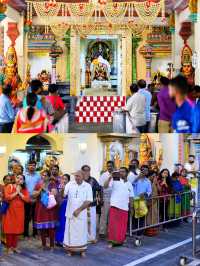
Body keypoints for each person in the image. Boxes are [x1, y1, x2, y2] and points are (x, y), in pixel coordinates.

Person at [63, 170, 93, 257]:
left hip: (81, 213)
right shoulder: (70, 184)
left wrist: (79, 210)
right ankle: (70, 250)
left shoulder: (87, 186)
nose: (76, 177)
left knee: (81, 232)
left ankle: (82, 250)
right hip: (70, 213)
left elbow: (88, 200)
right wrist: (63, 186)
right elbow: (64, 195)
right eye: (75, 176)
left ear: (83, 176)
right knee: (70, 233)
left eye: (78, 176)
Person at [106, 168, 134, 247]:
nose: (121, 173)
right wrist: (110, 177)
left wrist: (131, 208)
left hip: (125, 208)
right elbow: (105, 186)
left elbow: (131, 197)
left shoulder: (129, 184)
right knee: (113, 225)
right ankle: (111, 242)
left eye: (123, 171)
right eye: (120, 171)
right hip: (115, 206)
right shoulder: (115, 181)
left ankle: (120, 241)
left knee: (122, 226)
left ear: (127, 173)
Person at [3, 174, 30, 254]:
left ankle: (14, 247)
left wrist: (20, 193)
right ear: (15, 178)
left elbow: (27, 199)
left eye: (21, 179)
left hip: (20, 212)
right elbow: (7, 197)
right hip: (10, 211)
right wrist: (16, 192)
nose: (19, 179)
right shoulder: (9, 186)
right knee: (9, 229)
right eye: (18, 178)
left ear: (23, 181)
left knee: (16, 229)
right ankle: (8, 248)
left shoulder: (24, 189)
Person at [33, 170, 58, 250]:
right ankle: (43, 244)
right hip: (40, 207)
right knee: (42, 227)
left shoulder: (52, 184)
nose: (44, 177)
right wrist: (40, 189)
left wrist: (45, 189)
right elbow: (34, 195)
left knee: (51, 227)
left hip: (49, 208)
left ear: (49, 176)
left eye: (46, 175)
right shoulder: (38, 184)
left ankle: (51, 245)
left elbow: (54, 194)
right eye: (42, 175)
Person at [81, 165, 101, 243]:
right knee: (82, 222)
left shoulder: (93, 180)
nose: (86, 172)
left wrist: (97, 202)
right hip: (81, 205)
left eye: (88, 170)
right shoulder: (80, 180)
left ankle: (92, 238)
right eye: (85, 170)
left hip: (91, 205)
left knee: (92, 222)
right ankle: (83, 238)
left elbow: (98, 190)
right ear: (82, 171)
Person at [133, 165, 152, 237]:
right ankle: (134, 231)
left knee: (142, 217)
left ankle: (140, 232)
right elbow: (132, 184)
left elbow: (149, 191)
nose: (144, 172)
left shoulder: (148, 181)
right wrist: (138, 177)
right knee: (135, 217)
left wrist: (145, 193)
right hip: (135, 200)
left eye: (146, 170)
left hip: (143, 201)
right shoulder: (136, 179)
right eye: (143, 170)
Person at [24, 160, 41, 238]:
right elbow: (23, 187)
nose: (32, 166)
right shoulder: (24, 175)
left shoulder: (38, 176)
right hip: (26, 199)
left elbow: (40, 187)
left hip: (35, 199)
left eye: (33, 165)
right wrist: (27, 198)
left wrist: (36, 196)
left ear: (35, 166)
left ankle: (35, 233)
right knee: (26, 217)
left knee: (35, 216)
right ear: (27, 166)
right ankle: (25, 233)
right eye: (30, 165)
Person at [99, 161, 114, 237]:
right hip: (106, 197)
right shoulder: (104, 175)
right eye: (108, 166)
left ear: (113, 166)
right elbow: (101, 187)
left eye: (111, 166)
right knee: (104, 215)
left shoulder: (116, 175)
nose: (109, 167)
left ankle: (110, 231)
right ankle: (102, 231)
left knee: (112, 216)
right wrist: (101, 198)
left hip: (114, 197)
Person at [55, 174, 70, 246]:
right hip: (60, 207)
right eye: (63, 179)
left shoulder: (70, 187)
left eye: (65, 179)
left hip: (68, 206)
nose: (64, 180)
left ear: (68, 180)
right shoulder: (59, 187)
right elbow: (58, 196)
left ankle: (64, 240)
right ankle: (58, 239)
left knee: (65, 224)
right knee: (60, 223)